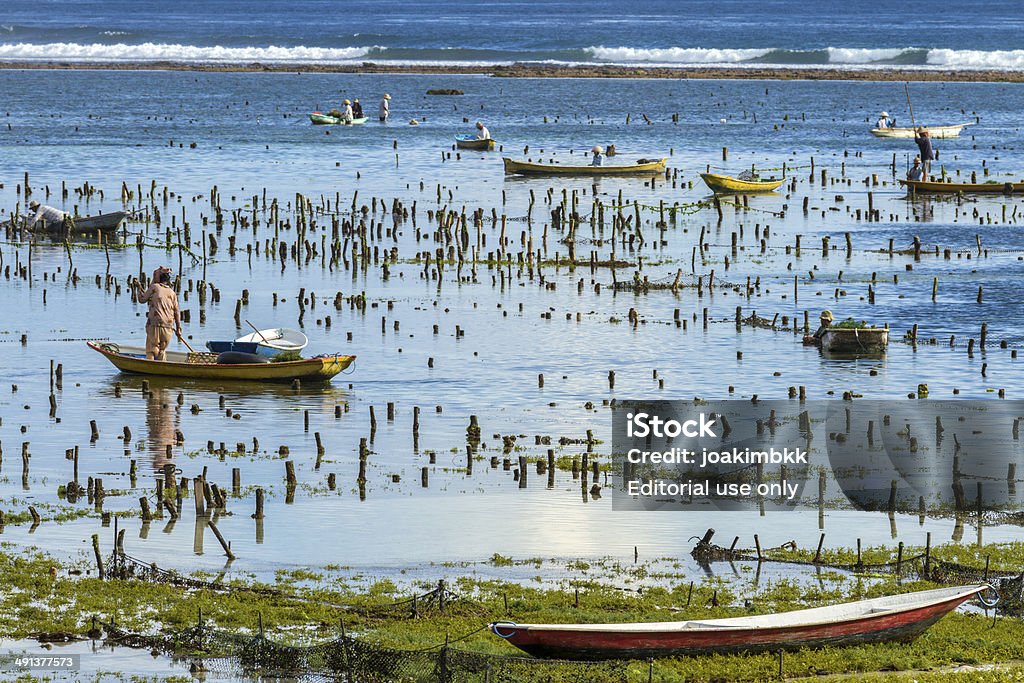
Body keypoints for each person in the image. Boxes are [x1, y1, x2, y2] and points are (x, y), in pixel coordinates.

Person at [134, 266, 181, 361]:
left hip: (155, 324)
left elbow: (142, 299)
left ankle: (150, 369)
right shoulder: (172, 293)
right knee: (162, 350)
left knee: (152, 349)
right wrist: (179, 328)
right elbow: (176, 311)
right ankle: (161, 369)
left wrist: (138, 288)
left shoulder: (154, 287)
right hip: (168, 326)